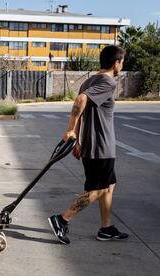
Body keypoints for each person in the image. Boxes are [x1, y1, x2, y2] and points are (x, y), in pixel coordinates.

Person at [48, 45, 129, 244]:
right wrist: (71, 130)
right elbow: (80, 101)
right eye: (122, 62)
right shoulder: (107, 82)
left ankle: (106, 228)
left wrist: (79, 140)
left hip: (95, 146)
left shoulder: (89, 80)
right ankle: (62, 219)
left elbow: (83, 108)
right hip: (101, 147)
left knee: (109, 185)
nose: (122, 65)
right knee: (96, 189)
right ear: (116, 63)